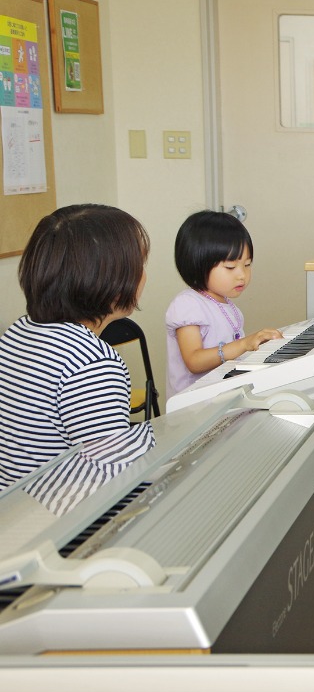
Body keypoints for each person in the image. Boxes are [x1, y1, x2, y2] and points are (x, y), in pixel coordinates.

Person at [0, 204, 155, 491]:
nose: (144, 275)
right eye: (140, 265)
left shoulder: (19, 330)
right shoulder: (91, 361)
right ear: (112, 281)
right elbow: (115, 478)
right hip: (54, 518)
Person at [165, 210, 281, 397]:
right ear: (198, 263)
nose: (242, 274)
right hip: (192, 407)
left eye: (247, 264)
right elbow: (194, 361)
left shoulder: (228, 306)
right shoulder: (187, 304)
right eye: (230, 267)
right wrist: (244, 344)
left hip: (221, 398)